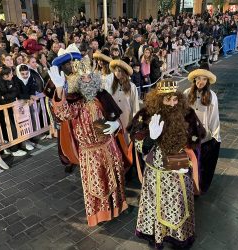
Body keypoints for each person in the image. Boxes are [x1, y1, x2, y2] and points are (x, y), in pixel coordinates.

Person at [47, 51, 129, 227]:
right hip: (89, 151)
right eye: (83, 77)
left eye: (89, 76)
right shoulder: (74, 100)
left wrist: (115, 125)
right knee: (97, 183)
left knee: (115, 176)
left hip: (108, 145)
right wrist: (60, 88)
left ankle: (119, 207)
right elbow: (63, 113)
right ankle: (100, 214)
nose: (87, 80)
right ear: (77, 79)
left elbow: (115, 116)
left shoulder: (102, 95)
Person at [128, 79, 205, 248]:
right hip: (155, 173)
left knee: (177, 206)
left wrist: (186, 159)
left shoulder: (187, 113)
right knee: (156, 206)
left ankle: (178, 238)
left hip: (179, 169)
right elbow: (138, 144)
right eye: (167, 99)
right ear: (158, 99)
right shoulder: (146, 115)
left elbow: (198, 137)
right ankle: (157, 235)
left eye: (175, 99)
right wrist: (151, 138)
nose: (172, 103)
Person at [184, 68, 221, 193]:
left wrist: (216, 136)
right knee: (188, 163)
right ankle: (187, 185)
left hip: (203, 137)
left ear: (207, 81)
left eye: (204, 79)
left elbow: (214, 117)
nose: (201, 81)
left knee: (200, 165)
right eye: (199, 78)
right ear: (194, 79)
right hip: (188, 135)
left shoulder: (211, 96)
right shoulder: (187, 93)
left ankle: (197, 187)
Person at [106, 59, 139, 143]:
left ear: (125, 73)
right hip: (113, 118)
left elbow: (135, 106)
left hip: (126, 118)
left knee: (125, 140)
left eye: (120, 71)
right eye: (116, 71)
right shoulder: (111, 85)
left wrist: (136, 121)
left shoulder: (132, 87)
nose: (117, 73)